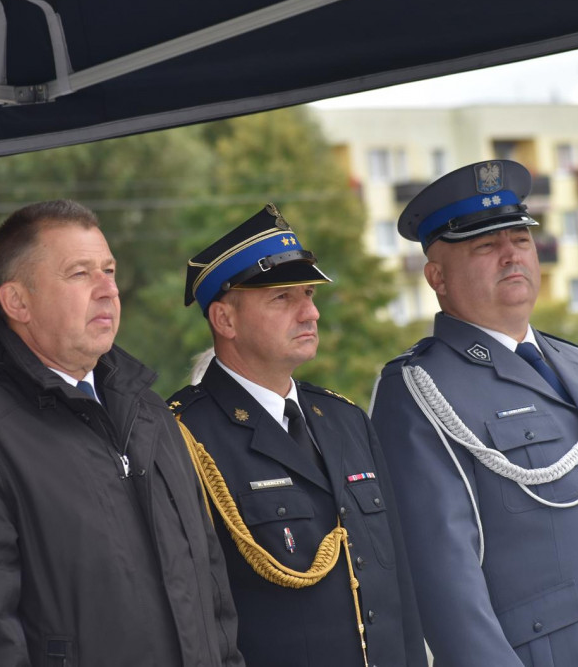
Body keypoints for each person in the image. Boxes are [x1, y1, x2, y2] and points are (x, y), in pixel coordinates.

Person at [370, 161, 578, 667]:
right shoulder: (420, 390)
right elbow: (446, 588)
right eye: (486, 246)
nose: (512, 254)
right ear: (437, 276)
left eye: (521, 239)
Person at [0, 200, 244, 667]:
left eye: (109, 270)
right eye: (80, 274)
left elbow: (213, 594)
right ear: (17, 302)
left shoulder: (149, 411)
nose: (109, 290)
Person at [168, 205, 427, 667]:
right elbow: (191, 612)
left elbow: (398, 587)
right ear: (225, 320)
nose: (311, 312)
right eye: (282, 298)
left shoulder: (346, 420)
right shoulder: (182, 437)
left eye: (308, 293)